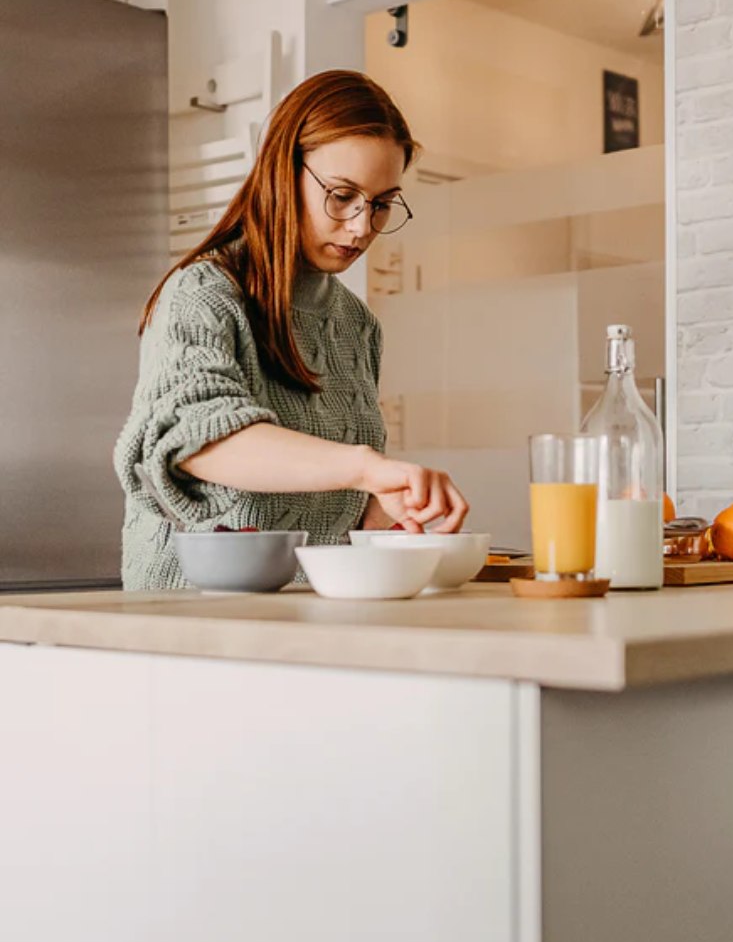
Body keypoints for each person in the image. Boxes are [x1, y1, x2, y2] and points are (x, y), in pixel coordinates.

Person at [114, 70, 468, 591]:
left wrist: (381, 507)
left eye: (381, 203)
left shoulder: (357, 325)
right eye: (342, 195)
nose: (361, 226)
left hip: (302, 609)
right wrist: (364, 467)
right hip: (188, 609)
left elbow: (318, 500)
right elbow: (196, 438)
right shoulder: (204, 293)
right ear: (283, 171)